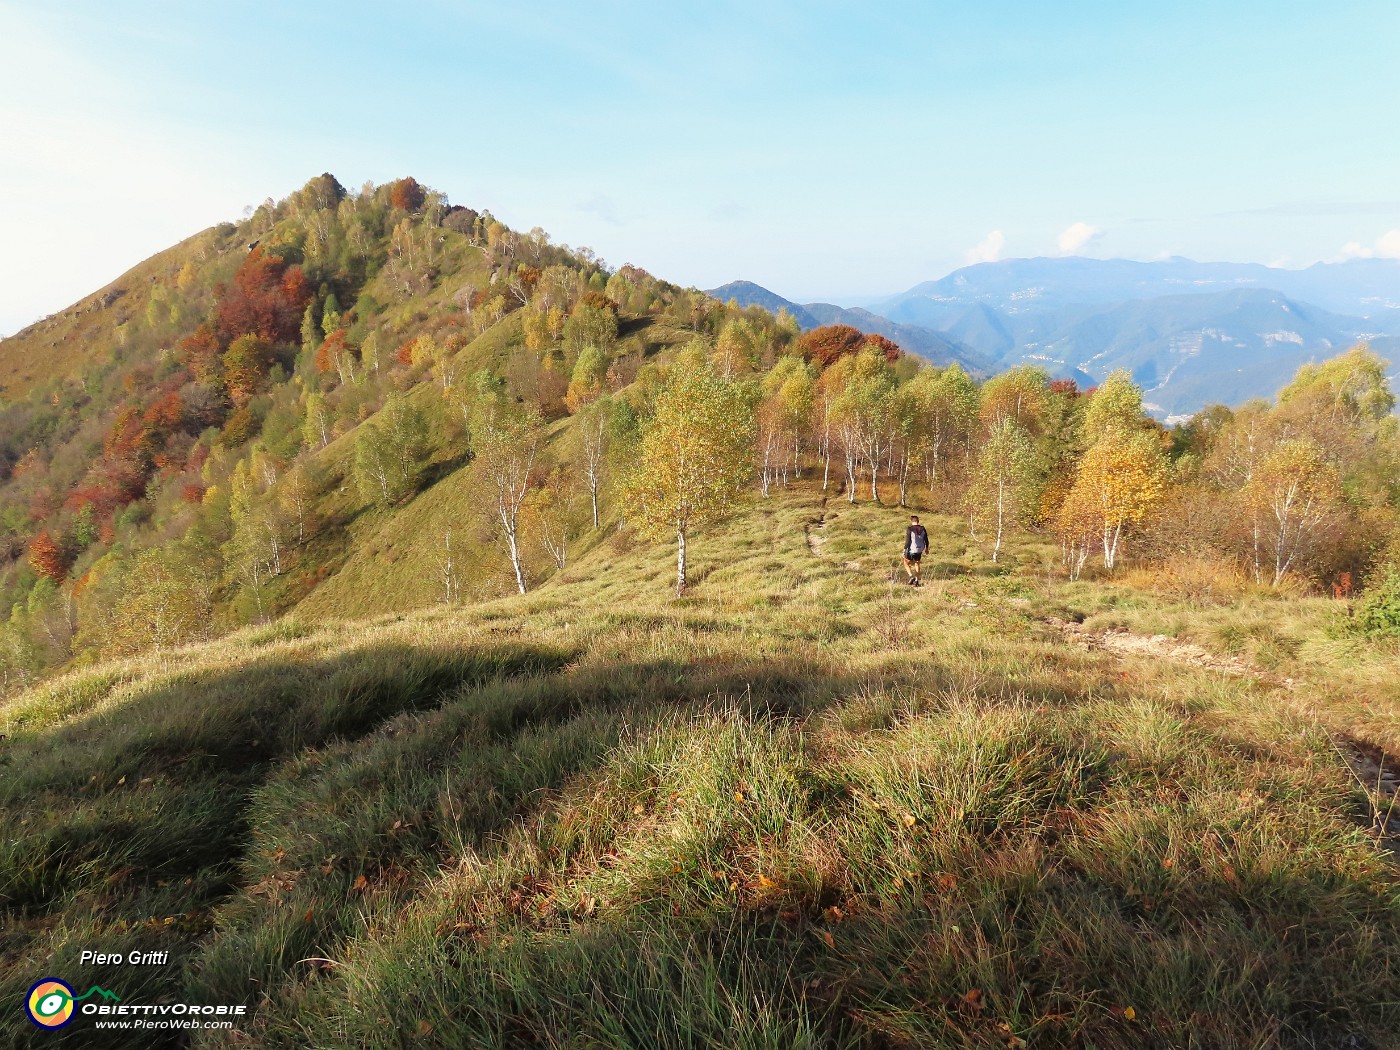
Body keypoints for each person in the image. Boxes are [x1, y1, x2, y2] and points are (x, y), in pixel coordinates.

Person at [903, 514, 929, 586]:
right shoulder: (923, 528)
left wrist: (904, 549)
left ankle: (911, 577)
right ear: (918, 521)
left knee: (906, 563)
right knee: (917, 563)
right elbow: (926, 539)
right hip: (920, 549)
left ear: (912, 521)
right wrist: (926, 548)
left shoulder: (910, 529)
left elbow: (908, 541)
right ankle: (917, 581)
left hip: (911, 549)